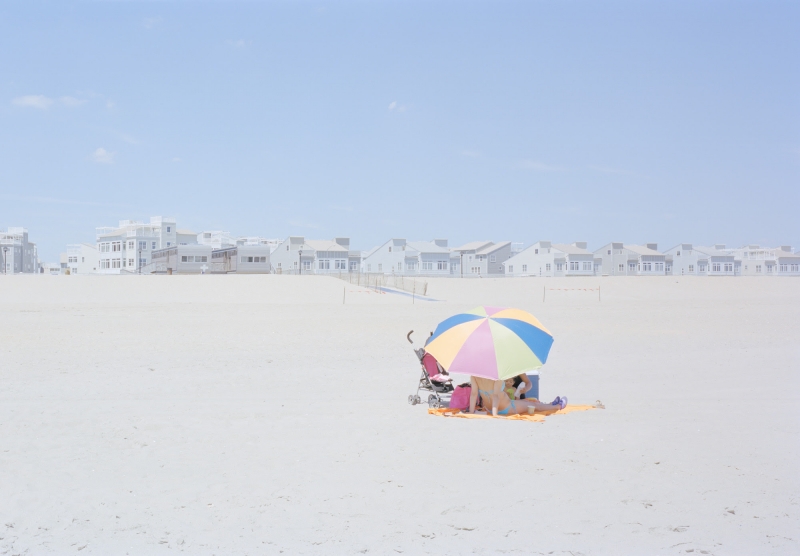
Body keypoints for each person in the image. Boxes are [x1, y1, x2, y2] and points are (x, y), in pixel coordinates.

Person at [469, 376, 566, 417]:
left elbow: (473, 394)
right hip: (508, 407)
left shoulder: (474, 376)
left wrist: (471, 412)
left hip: (490, 408)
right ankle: (557, 406)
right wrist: (495, 415)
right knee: (532, 404)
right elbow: (495, 396)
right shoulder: (496, 377)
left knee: (526, 403)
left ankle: (550, 404)